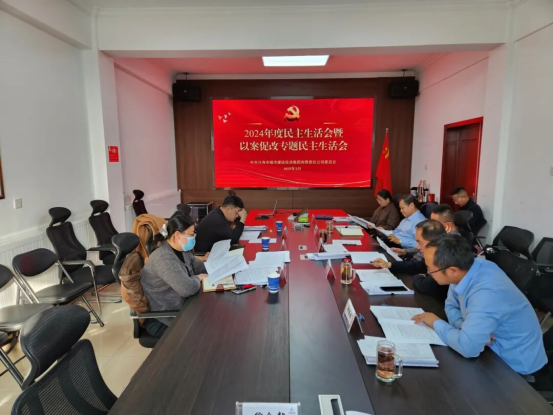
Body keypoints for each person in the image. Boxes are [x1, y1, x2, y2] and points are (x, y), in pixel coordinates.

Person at [412, 235, 547, 376]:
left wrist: (435, 322)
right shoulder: (467, 269)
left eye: (431, 269)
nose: (428, 273)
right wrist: (462, 327)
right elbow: (451, 305)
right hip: (487, 351)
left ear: (452, 270)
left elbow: (468, 348)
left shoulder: (487, 292)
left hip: (514, 367)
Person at [141, 213, 209, 338]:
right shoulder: (164, 258)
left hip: (182, 306)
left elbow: (198, 267)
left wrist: (220, 267)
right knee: (206, 329)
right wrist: (198, 277)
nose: (194, 237)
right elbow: (187, 288)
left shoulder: (181, 250)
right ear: (177, 235)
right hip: (165, 317)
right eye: (191, 234)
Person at [373, 220, 450, 300]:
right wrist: (390, 264)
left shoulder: (443, 258)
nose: (418, 247)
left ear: (433, 241)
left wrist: (419, 276)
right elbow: (419, 266)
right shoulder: (436, 252)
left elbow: (425, 285)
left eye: (420, 243)